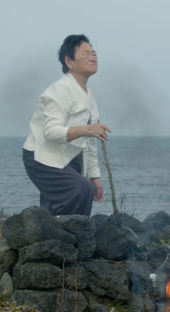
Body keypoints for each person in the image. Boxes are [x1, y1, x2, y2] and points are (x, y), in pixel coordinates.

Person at [22, 34, 111, 216]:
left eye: (94, 53)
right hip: (41, 157)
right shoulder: (59, 90)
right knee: (81, 189)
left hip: (69, 158)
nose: (93, 57)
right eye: (86, 54)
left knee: (57, 209)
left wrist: (95, 177)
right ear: (69, 61)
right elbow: (50, 132)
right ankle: (74, 232)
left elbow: (90, 142)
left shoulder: (89, 95)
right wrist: (87, 129)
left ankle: (57, 233)